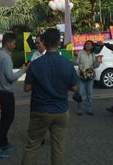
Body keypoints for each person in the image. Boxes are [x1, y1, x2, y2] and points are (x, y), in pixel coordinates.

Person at [21, 28, 79, 165]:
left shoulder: (35, 64)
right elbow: (75, 88)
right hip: (61, 111)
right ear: (59, 42)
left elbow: (26, 88)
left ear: (44, 43)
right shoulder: (67, 63)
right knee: (58, 147)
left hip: (40, 110)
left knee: (32, 146)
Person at [0, 33, 28, 159]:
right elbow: (11, 77)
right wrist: (23, 70)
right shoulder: (6, 57)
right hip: (6, 92)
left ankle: (4, 142)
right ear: (7, 43)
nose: (14, 45)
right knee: (8, 119)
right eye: (13, 43)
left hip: (0, 90)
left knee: (5, 117)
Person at [73, 40, 99, 115]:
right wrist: (75, 56)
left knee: (89, 94)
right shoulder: (80, 53)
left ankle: (89, 109)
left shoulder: (93, 54)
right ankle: (79, 110)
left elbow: (95, 66)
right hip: (81, 77)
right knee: (80, 94)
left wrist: (98, 61)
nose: (87, 45)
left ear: (92, 46)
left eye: (89, 44)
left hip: (90, 77)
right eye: (86, 44)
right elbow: (75, 63)